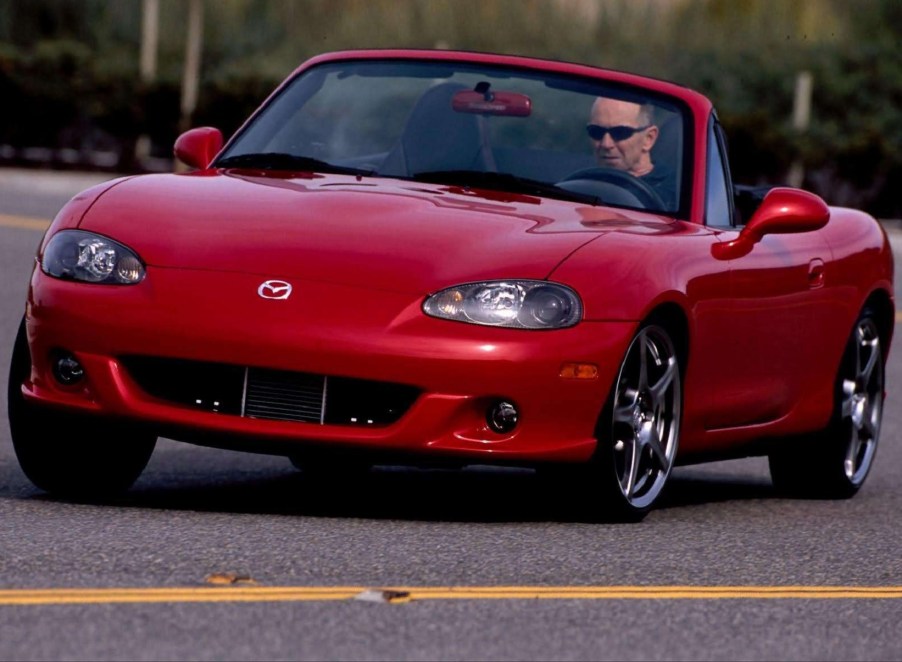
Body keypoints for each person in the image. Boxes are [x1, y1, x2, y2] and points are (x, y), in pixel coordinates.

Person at [586, 97, 676, 209]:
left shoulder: (677, 197)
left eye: (620, 132)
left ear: (649, 138)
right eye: (596, 132)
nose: (606, 144)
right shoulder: (578, 182)